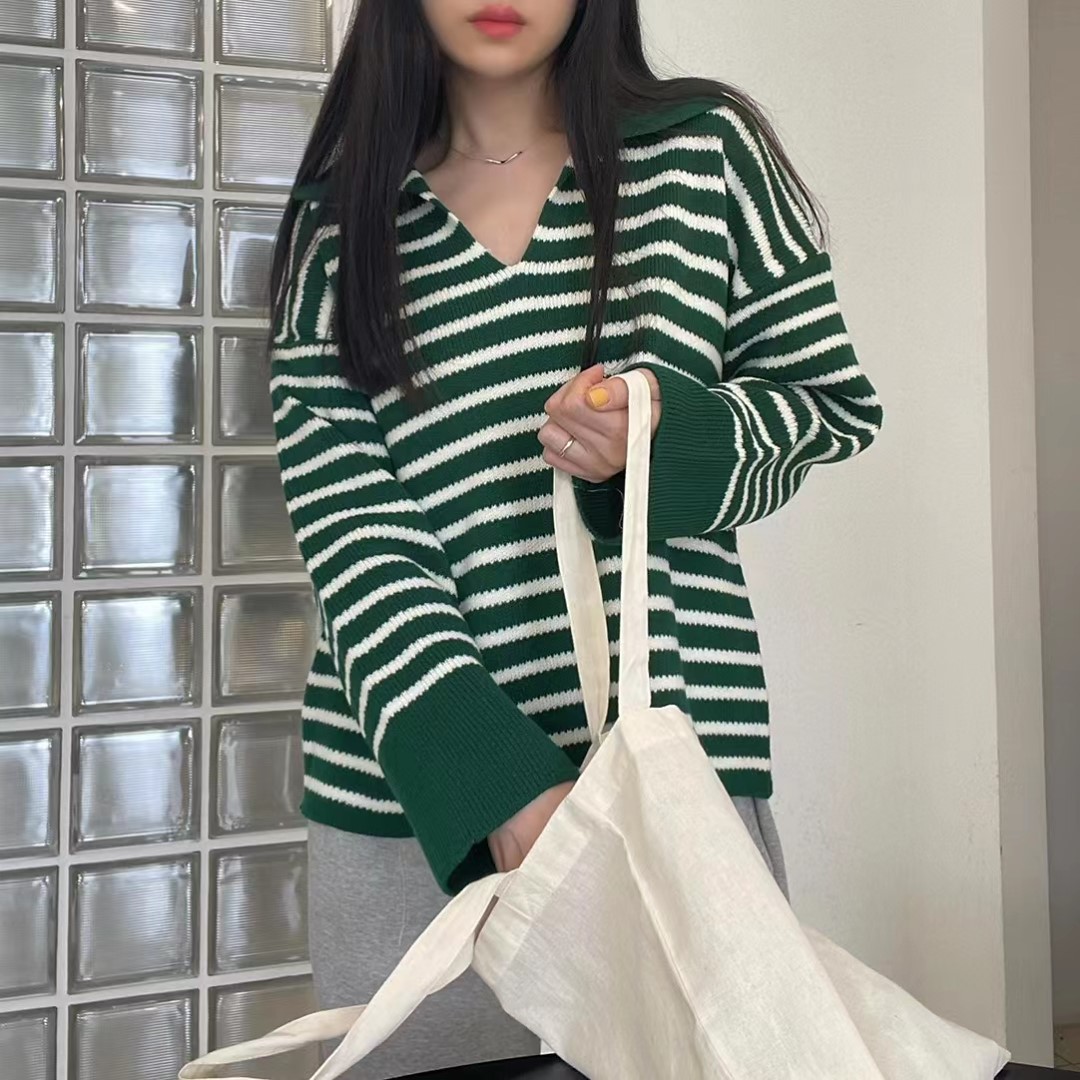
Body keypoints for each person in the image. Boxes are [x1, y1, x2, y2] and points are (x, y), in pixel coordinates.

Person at [269, 1, 883, 1075]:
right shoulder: (340, 224)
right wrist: (496, 786)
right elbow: (351, 533)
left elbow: (826, 403)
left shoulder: (704, 155)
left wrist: (661, 435)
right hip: (414, 804)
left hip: (668, 775)